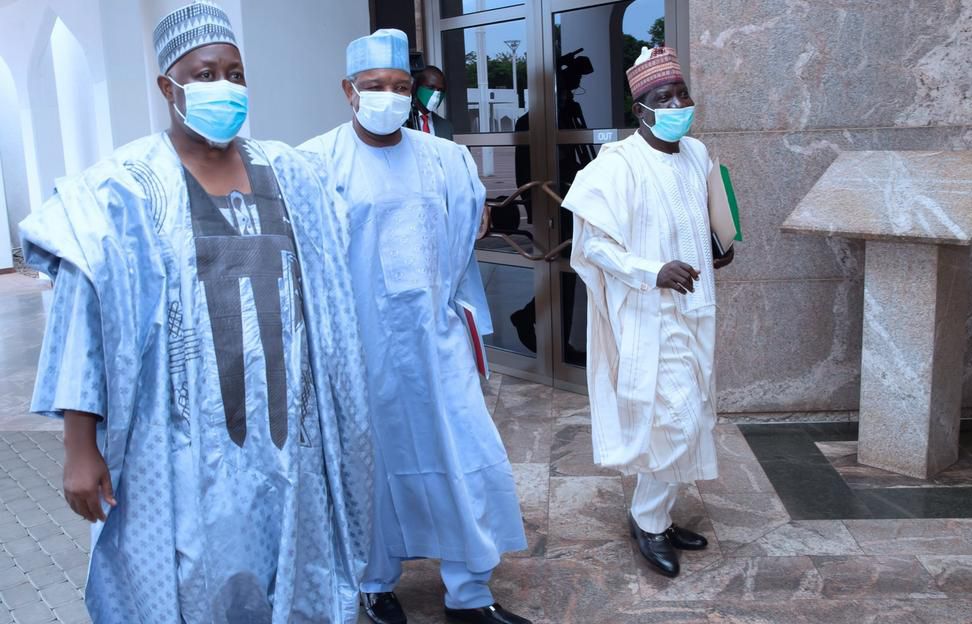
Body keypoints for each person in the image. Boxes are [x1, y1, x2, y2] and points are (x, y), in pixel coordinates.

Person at [19, 2, 373, 621]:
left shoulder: (294, 175)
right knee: (192, 583)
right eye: (205, 74)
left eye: (235, 73)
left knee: (296, 577)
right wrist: (80, 445)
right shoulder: (122, 189)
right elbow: (83, 320)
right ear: (168, 86)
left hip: (292, 442)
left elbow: (333, 303)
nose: (225, 88)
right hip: (179, 449)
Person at [300, 30, 530, 624]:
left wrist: (455, 317)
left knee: (463, 453)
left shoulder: (446, 159)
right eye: (375, 87)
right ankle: (374, 584)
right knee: (367, 464)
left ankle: (470, 593)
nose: (390, 97)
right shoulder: (315, 163)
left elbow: (464, 241)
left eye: (401, 87)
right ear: (348, 92)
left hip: (436, 338)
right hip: (361, 350)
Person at [562, 45, 735, 578]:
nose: (678, 102)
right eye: (665, 97)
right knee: (674, 421)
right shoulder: (616, 164)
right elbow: (594, 246)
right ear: (642, 109)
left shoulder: (698, 153)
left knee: (690, 415)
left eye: (682, 93)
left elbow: (703, 215)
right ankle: (648, 521)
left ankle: (655, 514)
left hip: (696, 306)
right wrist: (651, 270)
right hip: (647, 314)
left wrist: (718, 247)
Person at [407, 65, 454, 140]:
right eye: (431, 88)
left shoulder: (446, 127)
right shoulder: (402, 121)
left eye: (440, 90)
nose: (436, 93)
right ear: (415, 87)